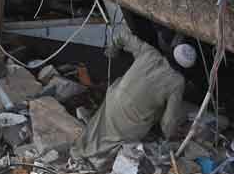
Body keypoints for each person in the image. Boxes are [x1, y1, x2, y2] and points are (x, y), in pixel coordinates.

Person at [71, 24, 195, 163]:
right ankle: (95, 162)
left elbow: (123, 36)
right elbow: (168, 123)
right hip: (132, 123)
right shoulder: (177, 82)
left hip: (113, 101)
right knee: (112, 142)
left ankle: (77, 152)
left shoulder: (149, 53)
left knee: (96, 128)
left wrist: (112, 49)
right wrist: (171, 135)